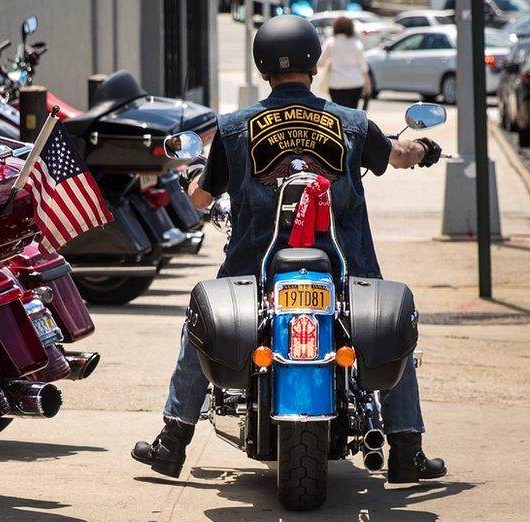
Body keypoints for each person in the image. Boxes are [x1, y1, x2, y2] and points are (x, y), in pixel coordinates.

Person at [131, 15, 446, 485]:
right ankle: (406, 449)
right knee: (395, 328)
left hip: (253, 270)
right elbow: (399, 156)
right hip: (345, 267)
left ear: (263, 69)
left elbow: (199, 200)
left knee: (198, 330)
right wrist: (423, 148)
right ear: (315, 65)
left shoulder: (236, 127)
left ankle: (172, 442)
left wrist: (189, 181)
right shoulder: (352, 123)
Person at [318, 16, 371, 109]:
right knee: (352, 111)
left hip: (336, 83)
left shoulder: (330, 42)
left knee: (339, 112)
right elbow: (363, 67)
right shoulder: (356, 43)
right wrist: (368, 85)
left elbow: (320, 62)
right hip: (355, 83)